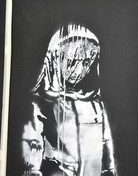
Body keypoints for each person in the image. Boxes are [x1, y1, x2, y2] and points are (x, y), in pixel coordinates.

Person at [22, 23, 117, 176]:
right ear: (54, 59)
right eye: (73, 61)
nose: (79, 70)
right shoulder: (39, 104)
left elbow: (107, 159)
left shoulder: (96, 105)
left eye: (86, 62)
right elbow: (32, 158)